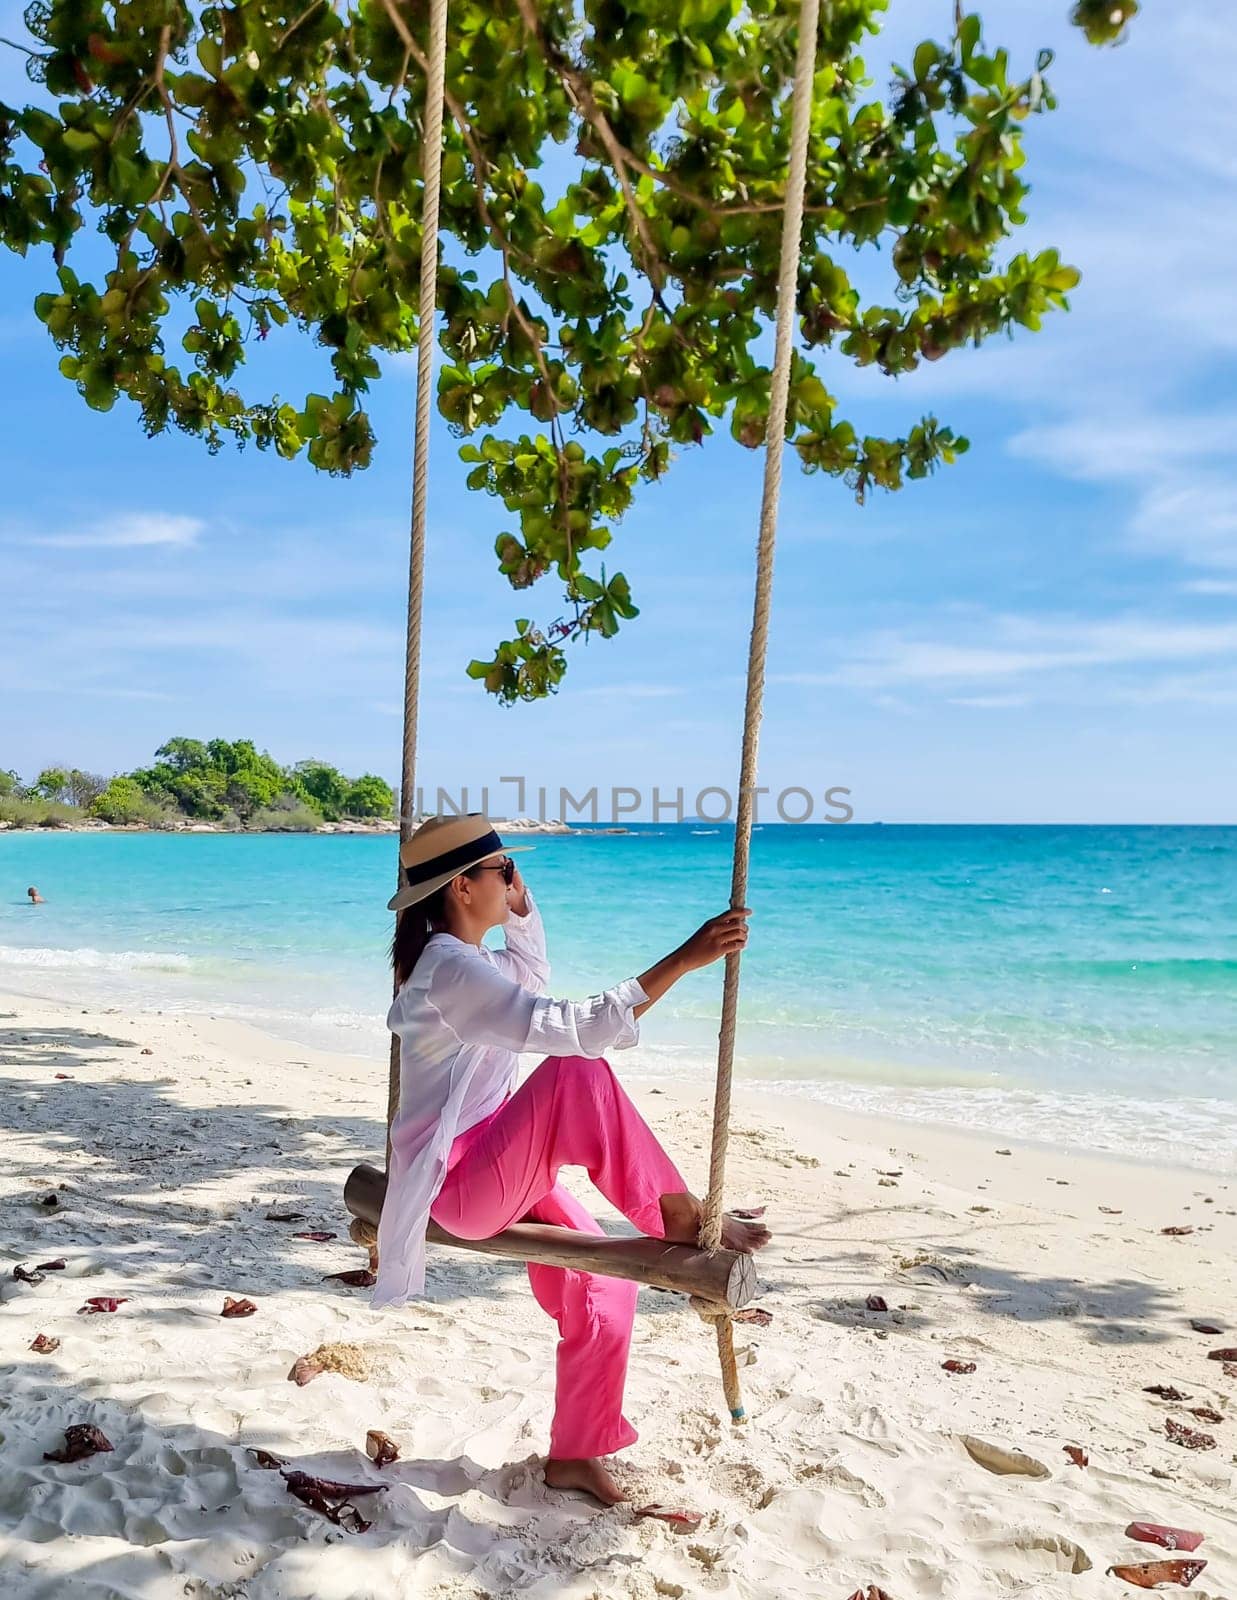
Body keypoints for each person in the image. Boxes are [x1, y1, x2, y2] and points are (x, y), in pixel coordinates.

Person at [374, 812, 770, 1506]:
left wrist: (522, 911)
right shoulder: (450, 970)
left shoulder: (466, 962)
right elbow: (568, 1028)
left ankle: (575, 1453)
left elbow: (527, 975)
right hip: (461, 1189)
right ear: (463, 888)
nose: (515, 880)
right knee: (575, 1073)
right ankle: (675, 1213)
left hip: (494, 1170)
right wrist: (685, 958)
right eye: (503, 871)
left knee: (604, 1285)